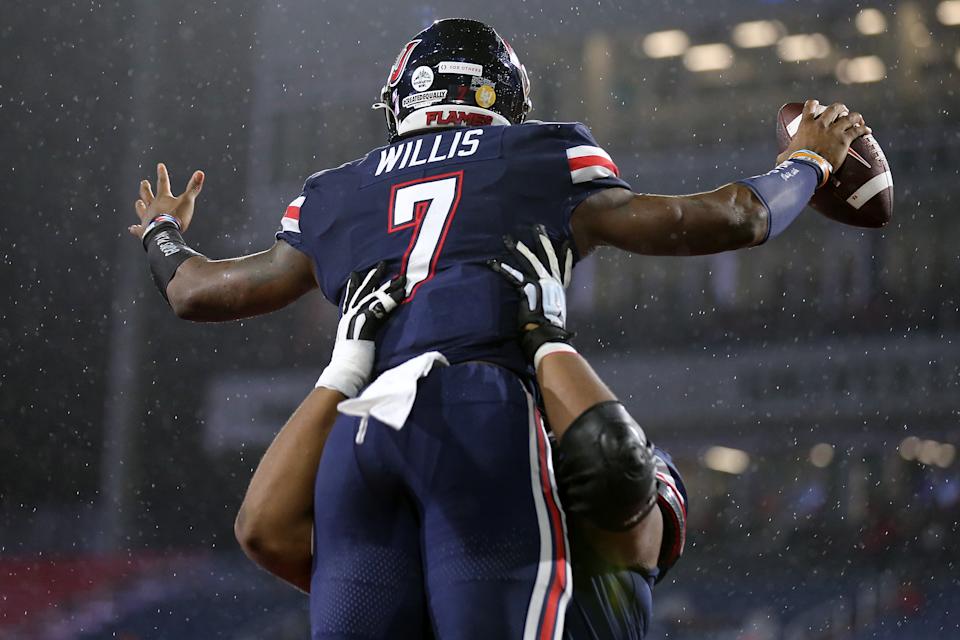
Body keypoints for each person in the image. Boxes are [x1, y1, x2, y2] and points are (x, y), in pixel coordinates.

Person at [129, 17, 867, 637]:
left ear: (400, 102)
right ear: (506, 97)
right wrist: (808, 164)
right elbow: (732, 218)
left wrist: (162, 232)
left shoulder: (338, 192)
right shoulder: (539, 153)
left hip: (361, 429)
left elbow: (197, 292)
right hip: (481, 412)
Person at [235, 230, 687, 639]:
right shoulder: (428, 482)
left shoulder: (618, 463)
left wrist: (549, 342)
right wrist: (342, 374)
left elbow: (616, 474)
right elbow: (262, 529)